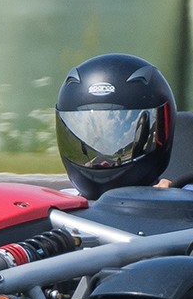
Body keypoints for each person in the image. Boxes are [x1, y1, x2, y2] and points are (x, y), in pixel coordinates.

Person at [54, 53, 177, 200]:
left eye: (122, 128)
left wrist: (170, 200)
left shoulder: (187, 198)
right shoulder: (62, 202)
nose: (103, 164)